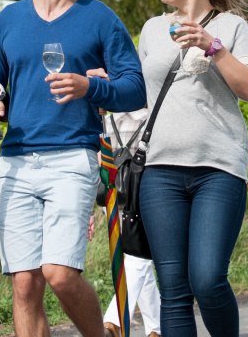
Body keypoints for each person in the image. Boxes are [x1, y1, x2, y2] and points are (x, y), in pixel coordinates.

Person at [0, 0, 146, 337]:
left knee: (59, 273)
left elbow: (135, 89)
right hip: (16, 161)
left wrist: (91, 87)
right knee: (25, 282)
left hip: (73, 156)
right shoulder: (8, 21)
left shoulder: (100, 18)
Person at [135, 0, 248, 337]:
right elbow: (139, 97)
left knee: (207, 279)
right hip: (160, 172)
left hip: (218, 170)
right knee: (173, 291)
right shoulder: (153, 30)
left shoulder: (232, 27)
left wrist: (214, 47)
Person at [99, 106, 162, 337]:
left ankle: (156, 328)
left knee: (137, 259)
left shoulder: (107, 120)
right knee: (139, 257)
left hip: (114, 197)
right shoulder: (150, 117)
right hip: (142, 195)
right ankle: (113, 322)